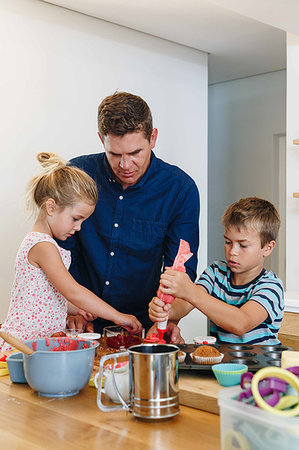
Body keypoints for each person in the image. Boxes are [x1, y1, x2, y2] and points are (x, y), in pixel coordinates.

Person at [58, 92, 200, 342]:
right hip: (81, 323)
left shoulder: (179, 189)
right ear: (101, 139)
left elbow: (180, 269)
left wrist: (168, 319)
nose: (125, 165)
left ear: (152, 137)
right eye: (115, 154)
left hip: (142, 326)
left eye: (135, 152)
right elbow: (60, 250)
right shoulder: (77, 174)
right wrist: (71, 306)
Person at [0, 152, 141, 352]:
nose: (79, 227)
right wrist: (119, 317)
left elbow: (46, 296)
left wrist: (78, 309)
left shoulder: (48, 245)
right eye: (76, 218)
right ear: (51, 207)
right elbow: (73, 291)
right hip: (22, 346)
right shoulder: (42, 246)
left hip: (38, 347)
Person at [149, 197, 284, 344]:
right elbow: (185, 305)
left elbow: (241, 323)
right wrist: (165, 309)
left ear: (268, 248)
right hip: (222, 366)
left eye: (243, 245)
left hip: (261, 366)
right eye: (228, 242)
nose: (233, 251)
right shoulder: (216, 272)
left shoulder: (271, 286)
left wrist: (190, 291)